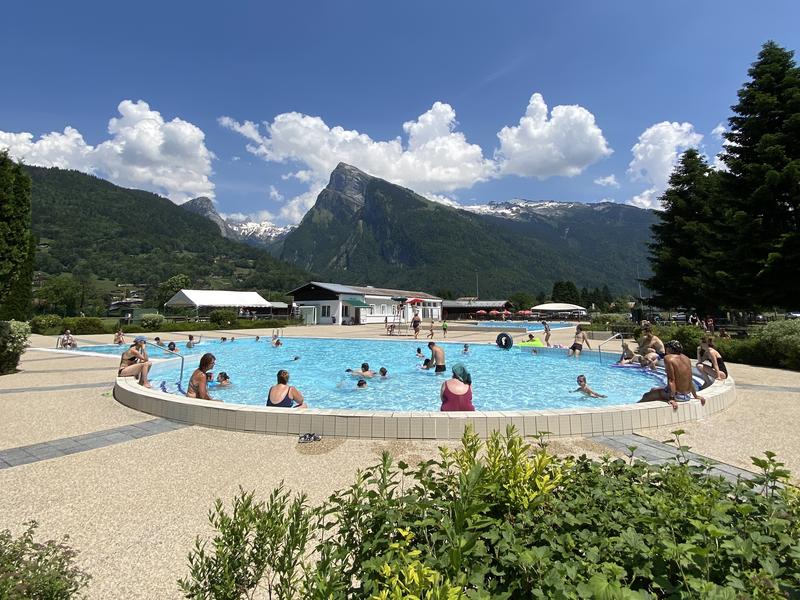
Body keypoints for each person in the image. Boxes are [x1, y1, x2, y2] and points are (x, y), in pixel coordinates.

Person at [639, 340, 706, 410]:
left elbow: (671, 379)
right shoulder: (686, 359)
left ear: (670, 349)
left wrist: (672, 398)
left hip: (678, 396)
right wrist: (695, 396)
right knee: (653, 389)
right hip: (687, 395)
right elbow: (689, 378)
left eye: (666, 348)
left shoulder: (668, 358)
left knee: (646, 396)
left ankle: (637, 408)